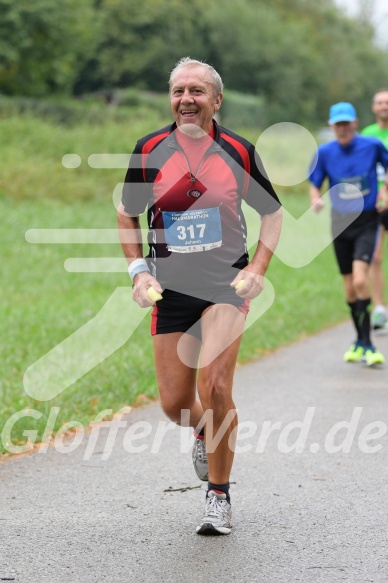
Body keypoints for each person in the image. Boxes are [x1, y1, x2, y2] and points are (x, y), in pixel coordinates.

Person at [117, 57, 282, 535]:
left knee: (216, 387)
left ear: (216, 99)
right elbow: (127, 213)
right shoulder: (149, 149)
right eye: (178, 91)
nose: (186, 100)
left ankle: (218, 495)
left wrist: (257, 267)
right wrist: (136, 272)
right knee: (174, 403)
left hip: (225, 286)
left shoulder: (238, 150)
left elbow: (272, 213)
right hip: (169, 289)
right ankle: (204, 430)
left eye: (197, 91)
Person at [308, 102, 388, 366]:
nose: (342, 128)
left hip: (367, 220)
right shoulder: (324, 152)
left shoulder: (372, 146)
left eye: (346, 123)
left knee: (360, 280)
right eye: (337, 124)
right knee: (348, 284)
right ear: (332, 126)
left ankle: (368, 344)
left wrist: (385, 190)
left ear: (354, 123)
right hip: (340, 222)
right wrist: (316, 199)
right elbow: (315, 184)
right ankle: (359, 340)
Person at [361, 89, 388, 329]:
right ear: (373, 107)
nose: (383, 106)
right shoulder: (368, 135)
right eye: (379, 102)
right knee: (375, 257)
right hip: (376, 205)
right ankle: (380, 308)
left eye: (387, 102)